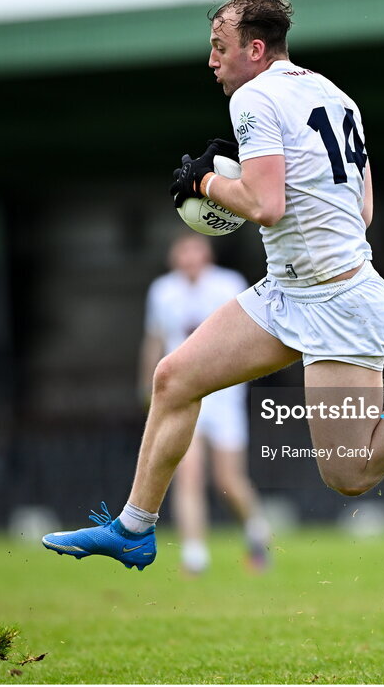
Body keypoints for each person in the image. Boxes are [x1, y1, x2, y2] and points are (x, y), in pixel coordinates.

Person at [42, 0, 384, 571]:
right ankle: (135, 528)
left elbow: (266, 205)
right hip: (290, 289)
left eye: (219, 46)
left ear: (255, 50)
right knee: (173, 378)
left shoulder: (253, 99)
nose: (211, 60)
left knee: (350, 473)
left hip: (339, 300)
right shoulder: (339, 96)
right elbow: (360, 210)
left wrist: (204, 182)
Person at [139, 234, 270, 574]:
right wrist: (149, 388)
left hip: (225, 394)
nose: (189, 259)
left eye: (195, 252)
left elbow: (247, 338)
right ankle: (195, 556)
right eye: (182, 252)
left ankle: (257, 532)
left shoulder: (229, 284)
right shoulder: (162, 291)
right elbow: (154, 340)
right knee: (188, 474)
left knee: (229, 479)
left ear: (206, 254)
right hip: (184, 393)